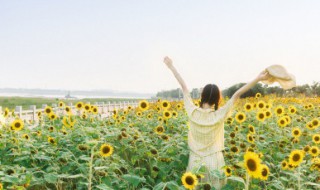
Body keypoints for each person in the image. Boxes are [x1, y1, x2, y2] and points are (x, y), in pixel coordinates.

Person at [163, 56, 271, 189]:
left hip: (195, 161)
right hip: (214, 161)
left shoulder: (192, 112)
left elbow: (184, 86)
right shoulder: (219, 115)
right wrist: (258, 78)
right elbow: (237, 94)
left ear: (202, 96)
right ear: (216, 99)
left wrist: (171, 66)